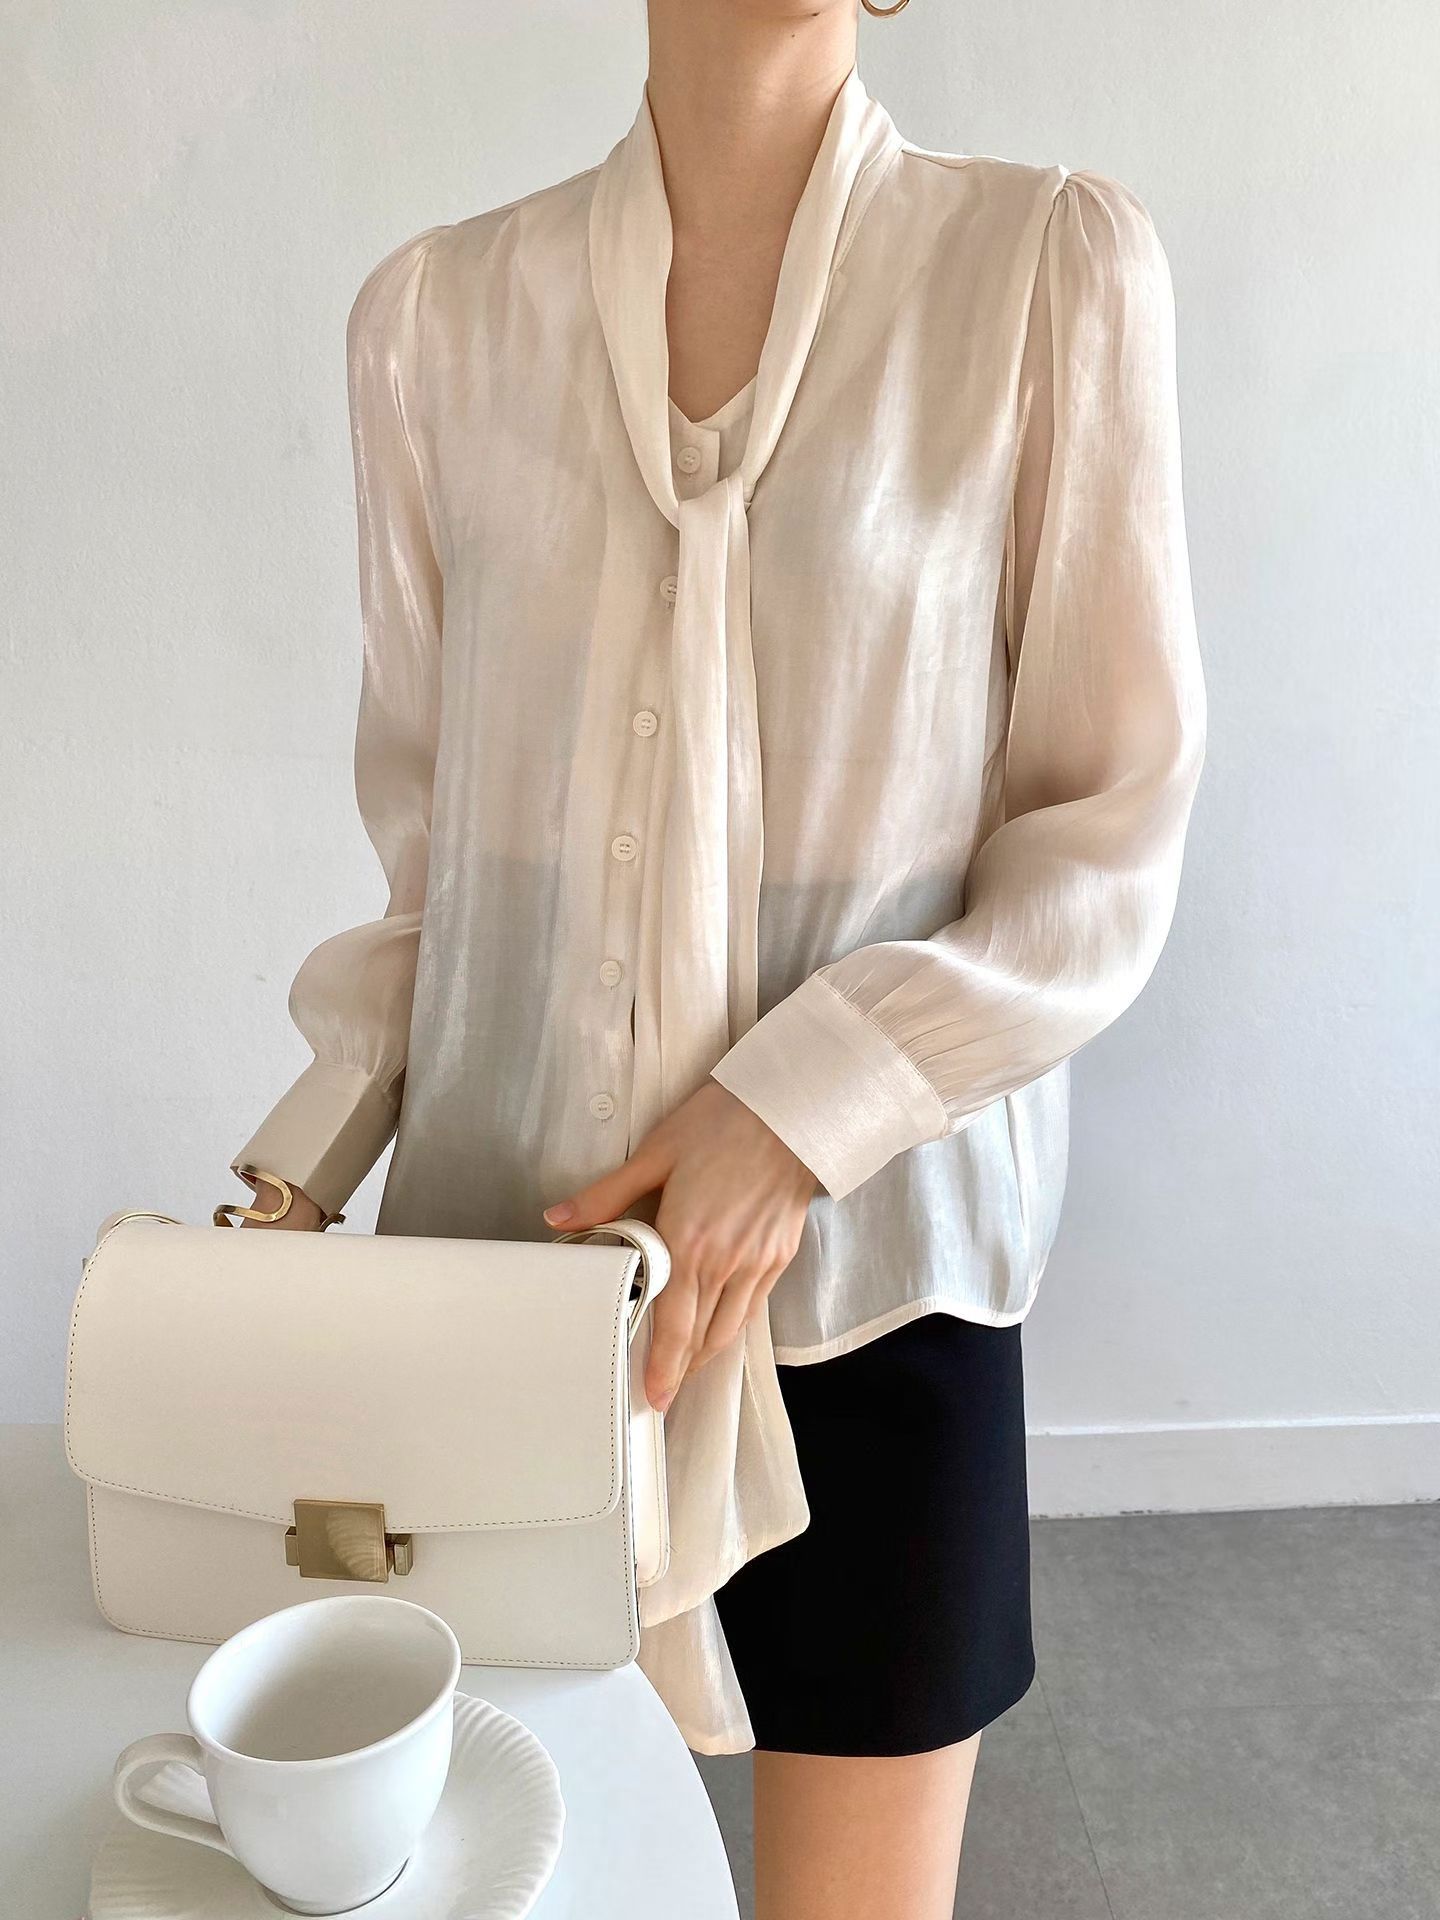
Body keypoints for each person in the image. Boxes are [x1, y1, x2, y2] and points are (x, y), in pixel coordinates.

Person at [229, 2, 1206, 1914]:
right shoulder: (435, 324)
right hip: (520, 1282)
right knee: (522, 1878)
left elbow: (1104, 832)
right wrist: (292, 1180)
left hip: (875, 1283)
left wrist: (797, 1106)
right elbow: (446, 868)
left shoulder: (1046, 275)